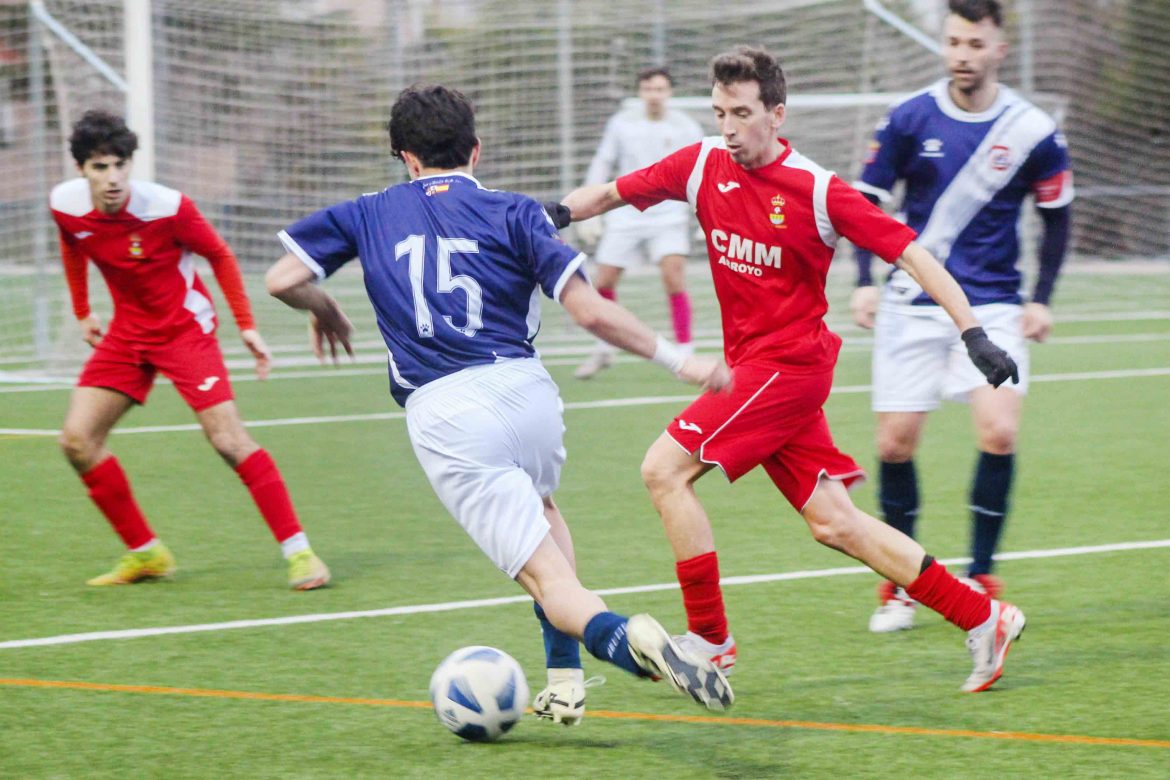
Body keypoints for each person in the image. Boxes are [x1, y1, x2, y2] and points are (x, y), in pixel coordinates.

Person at [561, 45, 1027, 693]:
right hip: (755, 372)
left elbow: (913, 255)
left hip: (788, 369)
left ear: (776, 114)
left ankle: (710, 641)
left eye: (743, 114)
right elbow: (608, 194)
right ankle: (984, 617)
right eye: (720, 112)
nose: (728, 128)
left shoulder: (816, 190)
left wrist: (971, 330)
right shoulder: (700, 163)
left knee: (663, 470)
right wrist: (544, 217)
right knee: (835, 522)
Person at [264, 84, 734, 723]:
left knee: (549, 582)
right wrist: (683, 360)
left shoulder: (367, 212)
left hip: (450, 412)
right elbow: (590, 311)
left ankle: (638, 641)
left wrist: (323, 306)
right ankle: (564, 678)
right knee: (542, 509)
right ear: (476, 151)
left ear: (405, 157)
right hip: (527, 392)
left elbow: (282, 279)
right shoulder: (517, 211)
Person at [849, 0, 1073, 633]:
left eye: (975, 44)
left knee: (998, 431)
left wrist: (1042, 297)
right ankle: (900, 586)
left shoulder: (1032, 129)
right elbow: (864, 204)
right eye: (953, 42)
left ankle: (980, 573)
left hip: (995, 302)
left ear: (999, 47)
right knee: (895, 443)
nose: (962, 55)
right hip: (910, 300)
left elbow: (1058, 217)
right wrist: (864, 282)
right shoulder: (908, 117)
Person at [51, 109, 330, 591]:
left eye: (120, 164)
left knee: (228, 441)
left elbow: (219, 254)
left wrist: (245, 326)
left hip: (185, 331)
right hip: (128, 333)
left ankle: (301, 553)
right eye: (100, 167)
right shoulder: (66, 205)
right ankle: (146, 554)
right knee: (77, 441)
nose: (113, 178)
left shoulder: (167, 208)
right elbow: (72, 244)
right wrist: (82, 311)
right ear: (81, 169)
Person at [573, 67, 704, 379]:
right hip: (626, 210)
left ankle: (685, 353)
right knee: (603, 282)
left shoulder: (686, 127)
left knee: (673, 278)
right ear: (640, 93)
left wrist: (704, 213)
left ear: (669, 93)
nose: (654, 95)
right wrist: (592, 207)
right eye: (648, 89)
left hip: (669, 213)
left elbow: (704, 168)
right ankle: (604, 348)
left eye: (659, 89)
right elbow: (603, 162)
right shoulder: (622, 124)